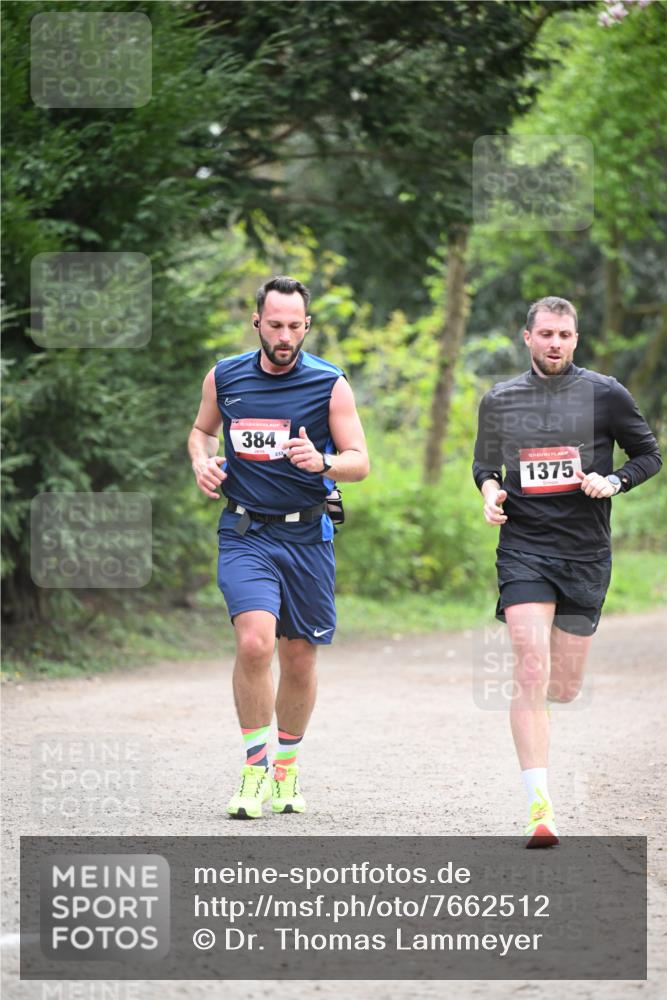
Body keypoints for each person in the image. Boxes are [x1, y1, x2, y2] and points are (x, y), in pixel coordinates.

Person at [472, 296, 662, 847]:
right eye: (547, 334)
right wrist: (490, 492)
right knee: (530, 668)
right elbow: (486, 465)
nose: (556, 343)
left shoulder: (604, 393)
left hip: (585, 554)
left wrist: (615, 482)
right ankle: (540, 807)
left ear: (575, 340)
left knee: (563, 685)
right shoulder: (501, 400)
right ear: (527, 337)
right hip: (525, 547)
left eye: (566, 335)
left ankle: (546, 754)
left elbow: (649, 455)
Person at [188, 275, 369, 818]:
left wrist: (325, 462)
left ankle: (287, 767)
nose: (285, 336)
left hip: (308, 535)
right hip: (246, 532)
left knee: (299, 656)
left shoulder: (329, 384)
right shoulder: (225, 377)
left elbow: (360, 460)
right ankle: (254, 768)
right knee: (255, 644)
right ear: (257, 323)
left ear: (307, 326)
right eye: (275, 325)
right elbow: (202, 431)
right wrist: (202, 459)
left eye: (295, 326)